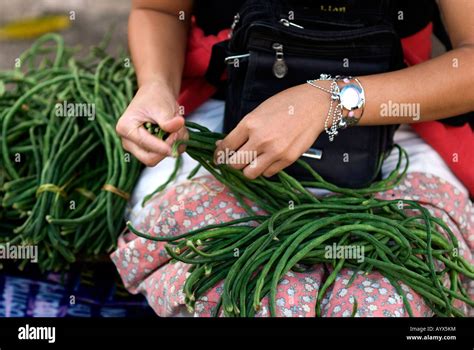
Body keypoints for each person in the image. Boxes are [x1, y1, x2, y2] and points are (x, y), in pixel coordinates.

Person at [112, 0, 474, 317]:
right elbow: (157, 9)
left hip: (390, 115)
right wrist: (157, 84)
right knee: (232, 286)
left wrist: (331, 101)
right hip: (227, 118)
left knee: (397, 294)